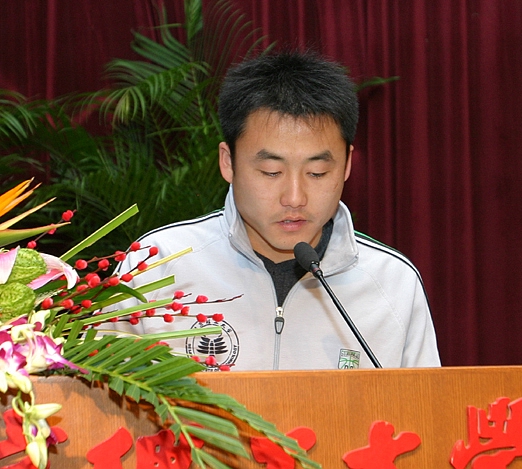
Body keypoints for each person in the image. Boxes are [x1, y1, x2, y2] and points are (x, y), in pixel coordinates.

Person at [109, 51, 440, 371]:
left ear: (347, 165)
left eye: (317, 173)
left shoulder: (393, 283)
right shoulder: (157, 265)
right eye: (271, 172)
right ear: (228, 162)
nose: (294, 198)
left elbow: (423, 405)